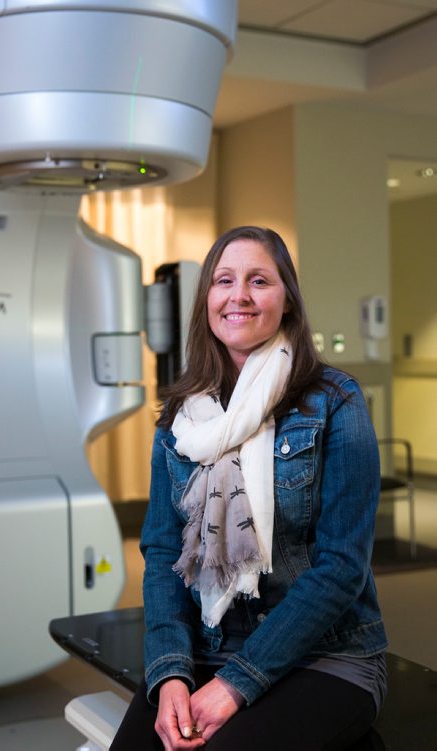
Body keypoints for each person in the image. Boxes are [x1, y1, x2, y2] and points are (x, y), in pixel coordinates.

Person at [110, 226, 387, 751]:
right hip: (206, 645)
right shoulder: (181, 418)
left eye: (258, 280)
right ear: (207, 301)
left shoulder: (336, 402)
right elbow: (164, 552)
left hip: (326, 657)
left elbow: (341, 568)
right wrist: (169, 672)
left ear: (287, 302)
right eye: (223, 281)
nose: (238, 296)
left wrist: (237, 683)